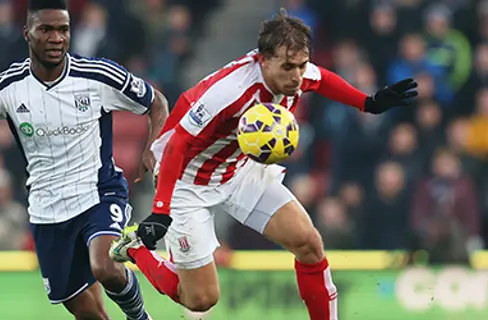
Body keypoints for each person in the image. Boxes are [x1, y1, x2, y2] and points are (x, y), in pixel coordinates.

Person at [109, 9, 417, 320]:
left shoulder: (296, 73)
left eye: (301, 65)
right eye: (288, 67)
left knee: (309, 243)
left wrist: (368, 102)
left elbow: (321, 79)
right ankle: (134, 247)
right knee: (200, 299)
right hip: (186, 181)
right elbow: (176, 146)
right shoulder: (229, 92)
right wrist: (160, 211)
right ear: (263, 60)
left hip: (238, 171)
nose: (297, 76)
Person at [0, 0, 169, 319]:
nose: (56, 38)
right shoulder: (4, 88)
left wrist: (155, 146)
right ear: (27, 33)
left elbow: (157, 102)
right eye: (46, 29)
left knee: (105, 266)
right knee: (88, 314)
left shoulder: (96, 75)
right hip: (46, 209)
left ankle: (140, 317)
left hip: (98, 192)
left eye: (63, 30)